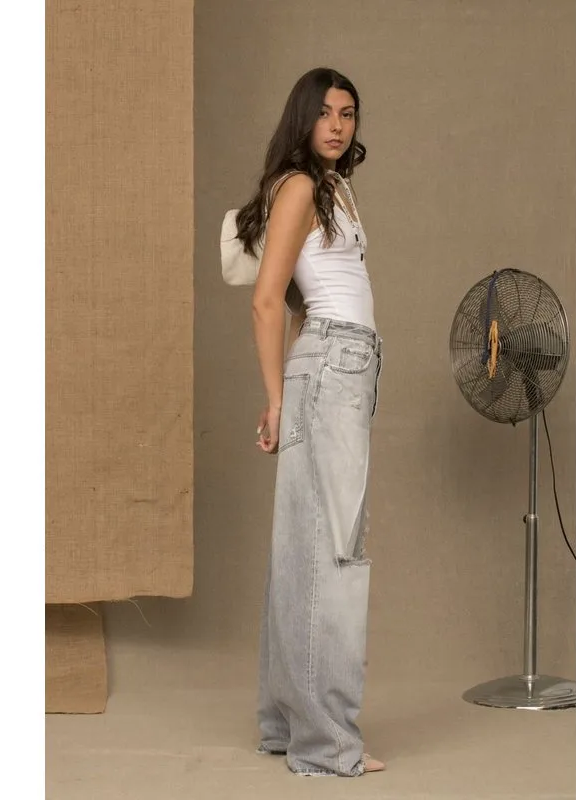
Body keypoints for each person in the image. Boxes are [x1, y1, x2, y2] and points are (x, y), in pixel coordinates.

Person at [236, 67, 384, 777]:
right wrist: (277, 398)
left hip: (330, 364)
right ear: (303, 117)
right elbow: (268, 299)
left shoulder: (331, 188)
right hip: (333, 365)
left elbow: (303, 297)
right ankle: (326, 746)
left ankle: (285, 725)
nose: (337, 124)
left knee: (304, 548)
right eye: (324, 112)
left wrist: (290, 389)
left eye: (347, 113)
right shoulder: (301, 186)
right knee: (335, 552)